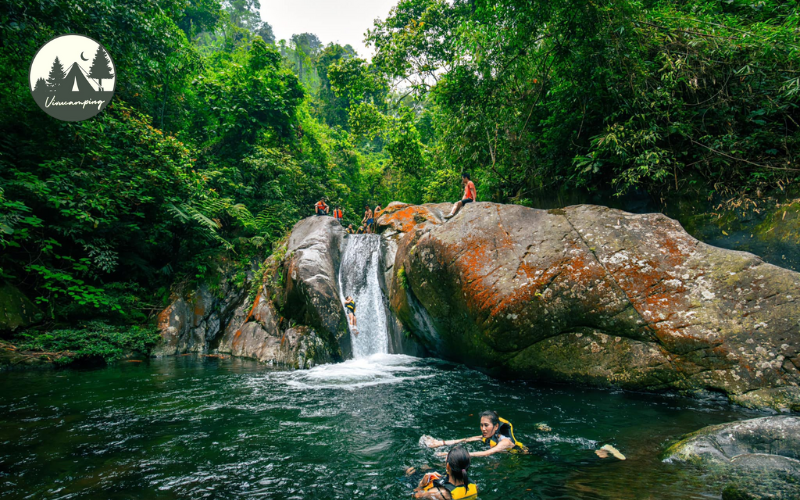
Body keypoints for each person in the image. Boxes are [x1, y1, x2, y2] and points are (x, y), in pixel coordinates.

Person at [424, 410, 525, 457]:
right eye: (481, 425)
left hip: (524, 455)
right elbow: (466, 440)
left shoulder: (505, 442)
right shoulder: (490, 435)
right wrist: (441, 443)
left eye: (486, 425)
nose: (483, 429)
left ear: (496, 426)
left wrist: (452, 455)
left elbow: (486, 453)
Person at [412, 445, 477, 499]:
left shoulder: (440, 493)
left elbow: (415, 495)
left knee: (411, 471)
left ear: (448, 466)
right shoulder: (474, 486)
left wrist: (421, 484)